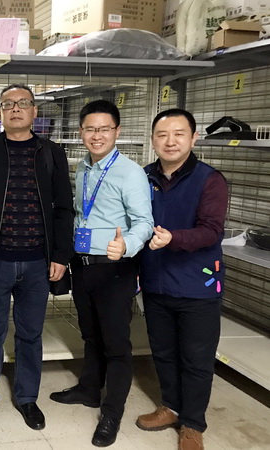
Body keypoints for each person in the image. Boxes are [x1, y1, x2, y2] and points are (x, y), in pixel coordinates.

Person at [0, 84, 75, 431]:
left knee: (30, 334)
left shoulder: (51, 153)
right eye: (8, 104)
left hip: (38, 262)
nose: (15, 109)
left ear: (34, 111)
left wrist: (60, 255)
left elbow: (64, 208)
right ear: (0, 113)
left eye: (23, 103)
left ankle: (27, 398)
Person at [49, 99, 153, 447]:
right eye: (90, 129)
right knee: (90, 335)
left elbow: (144, 223)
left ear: (117, 131)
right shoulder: (83, 167)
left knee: (116, 345)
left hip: (115, 269)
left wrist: (127, 245)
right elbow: (82, 214)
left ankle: (112, 412)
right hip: (84, 267)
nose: (97, 136)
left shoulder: (130, 172)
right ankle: (89, 389)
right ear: (81, 132)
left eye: (104, 129)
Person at [136, 109, 228, 450]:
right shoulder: (143, 177)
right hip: (156, 282)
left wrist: (173, 238)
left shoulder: (209, 180)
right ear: (153, 140)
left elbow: (211, 230)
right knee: (163, 351)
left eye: (179, 134)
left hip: (197, 286)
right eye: (162, 135)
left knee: (196, 358)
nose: (170, 141)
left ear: (193, 138)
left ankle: (193, 423)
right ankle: (171, 407)